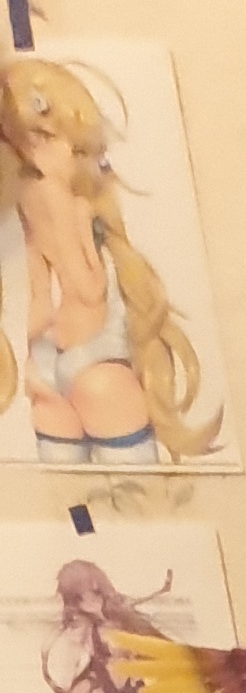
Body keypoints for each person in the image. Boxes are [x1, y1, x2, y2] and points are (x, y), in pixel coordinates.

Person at [0, 58, 219, 467]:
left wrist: (35, 353)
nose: (73, 153)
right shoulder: (67, 200)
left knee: (70, 499)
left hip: (46, 359)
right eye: (56, 140)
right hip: (96, 357)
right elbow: (90, 287)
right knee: (134, 497)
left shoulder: (27, 200)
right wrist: (86, 230)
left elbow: (39, 293)